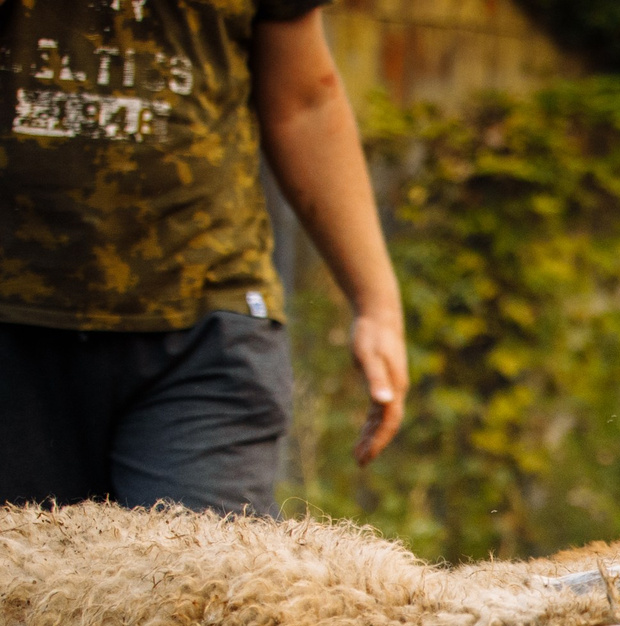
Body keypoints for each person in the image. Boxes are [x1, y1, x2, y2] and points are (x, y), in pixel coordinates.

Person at [1, 2, 407, 515]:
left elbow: (305, 100)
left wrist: (377, 305)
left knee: (206, 588)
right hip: (12, 323)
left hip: (207, 325)